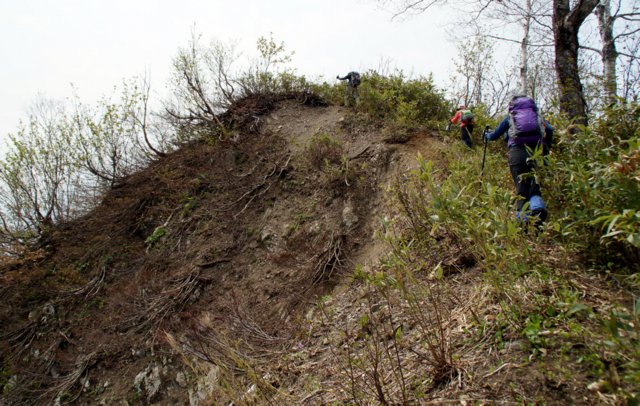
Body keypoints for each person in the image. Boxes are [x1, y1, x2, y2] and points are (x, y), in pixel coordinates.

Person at [485, 92, 553, 228]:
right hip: (537, 152)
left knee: (521, 190)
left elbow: (494, 136)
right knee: (535, 187)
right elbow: (550, 130)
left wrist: (486, 135)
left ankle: (523, 223)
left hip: (517, 154)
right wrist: (546, 148)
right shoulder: (538, 117)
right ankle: (538, 208)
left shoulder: (510, 117)